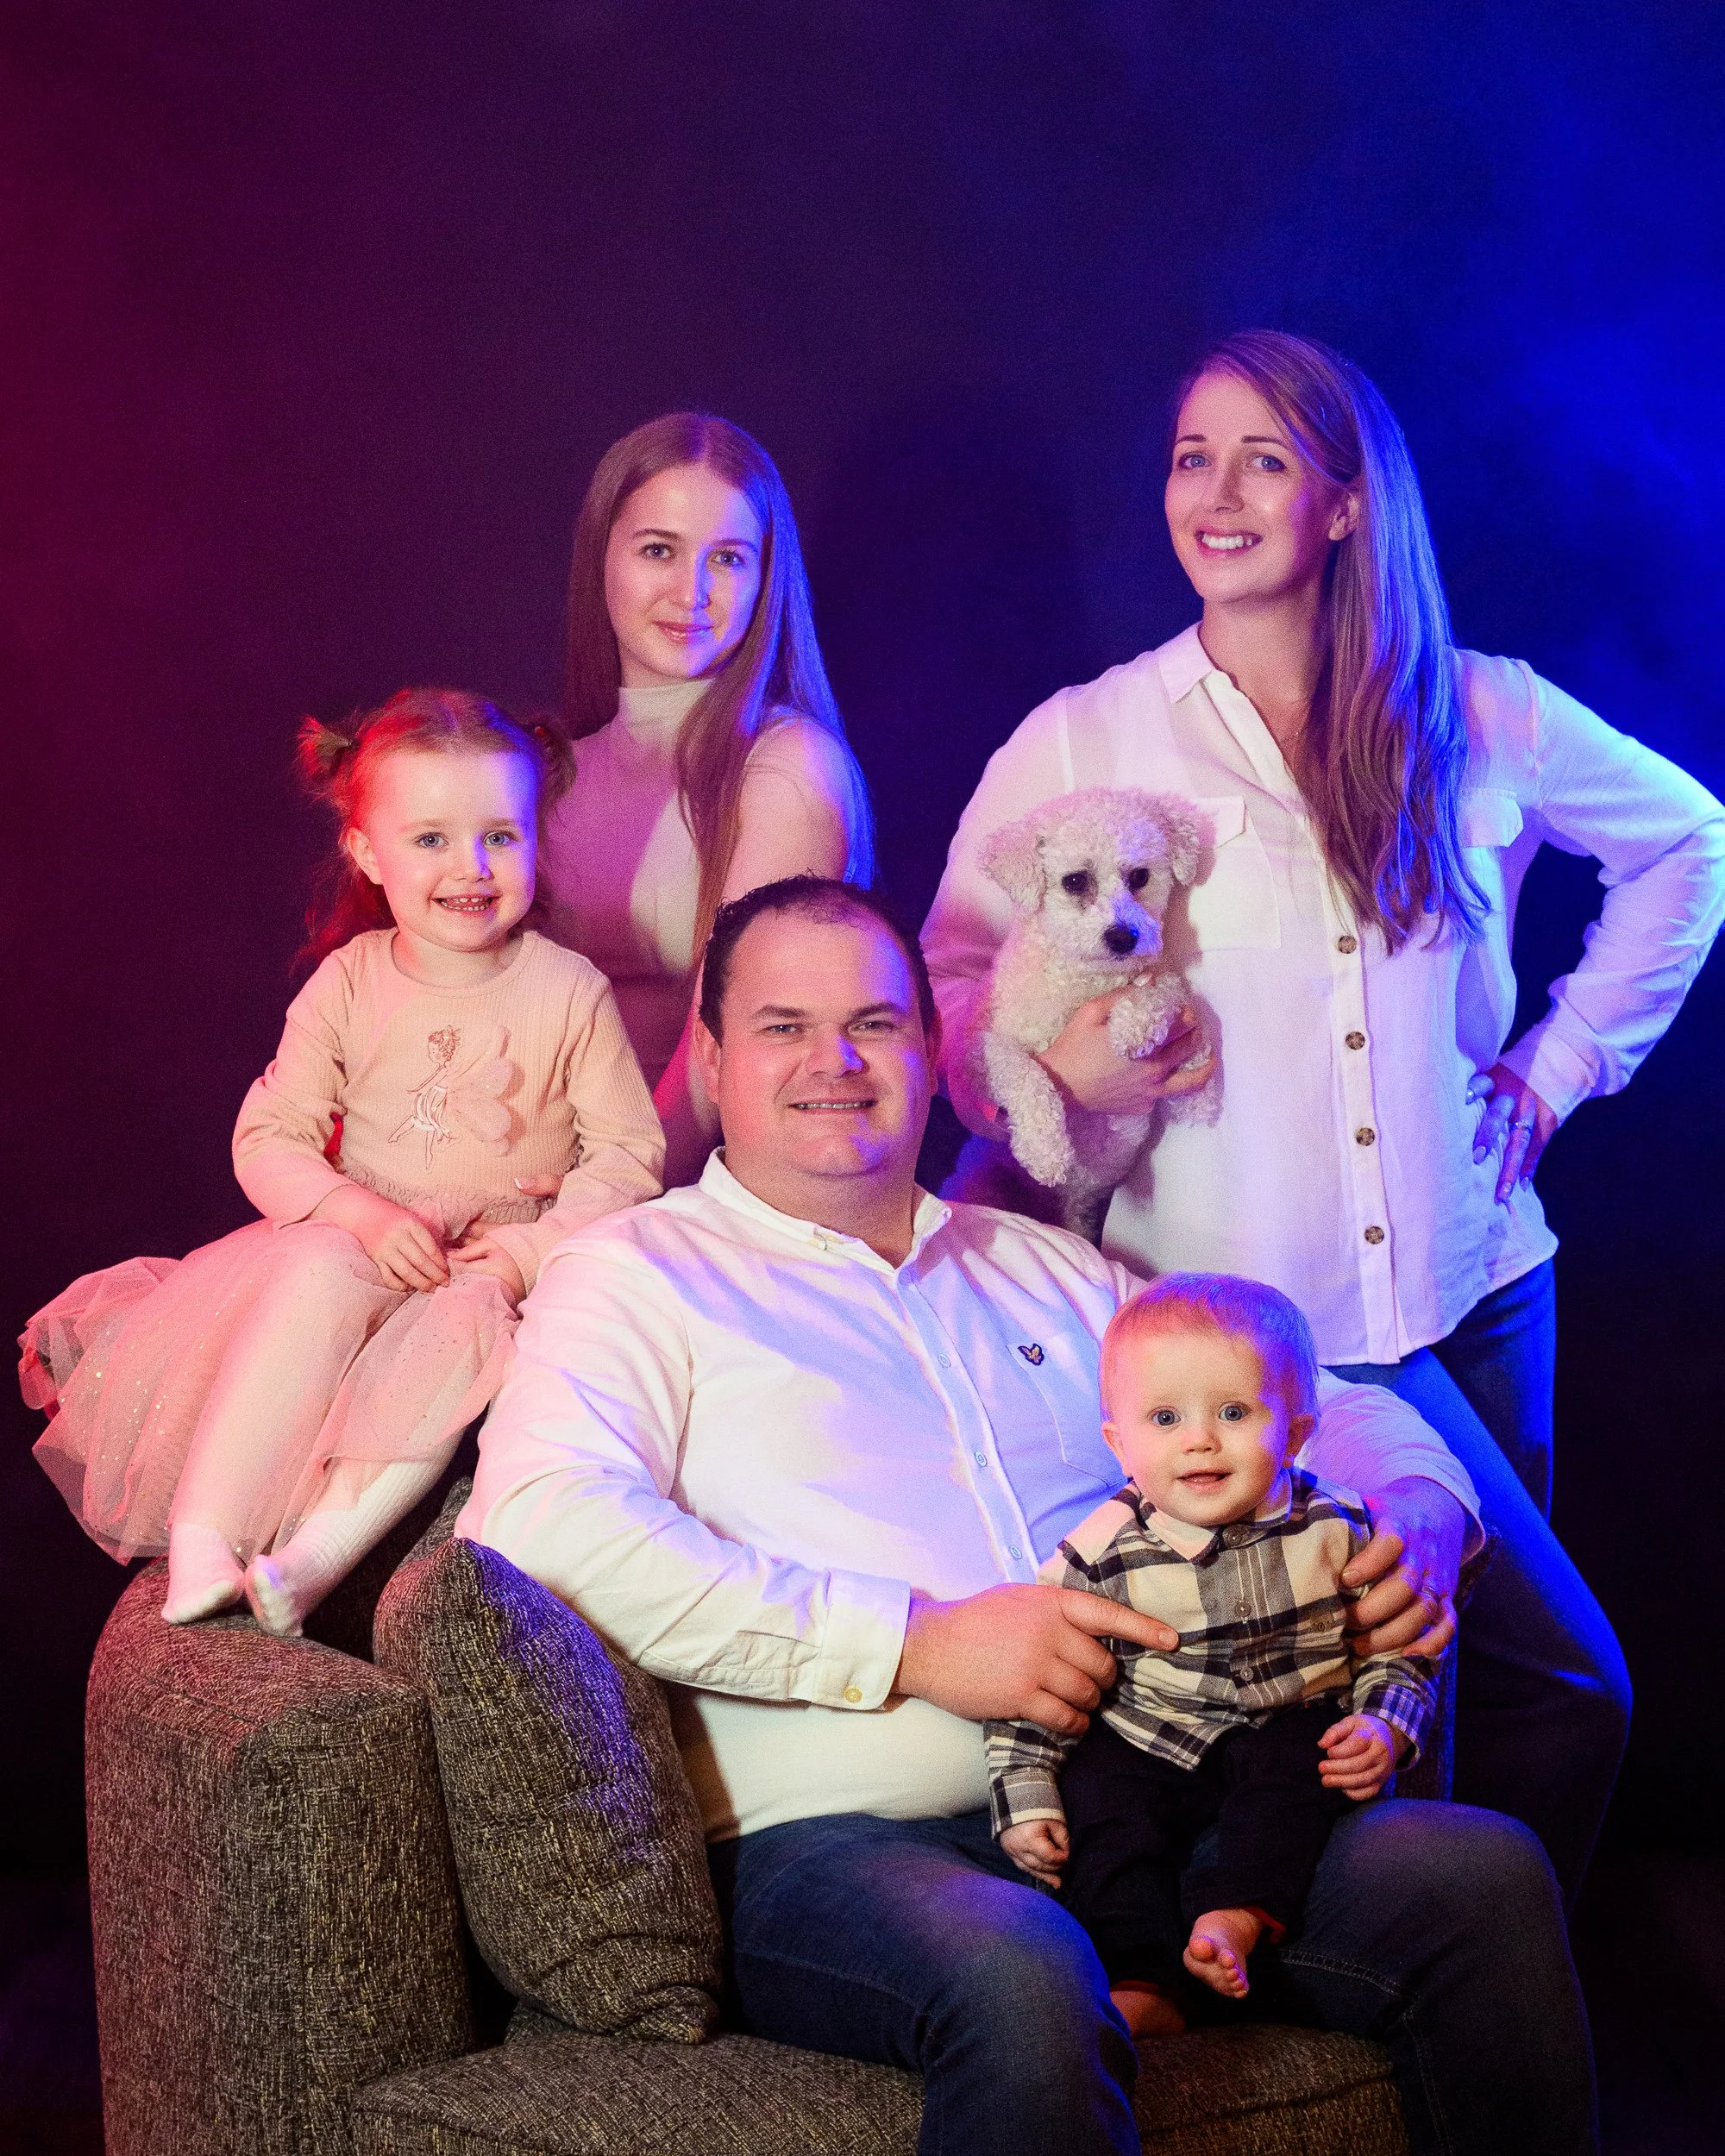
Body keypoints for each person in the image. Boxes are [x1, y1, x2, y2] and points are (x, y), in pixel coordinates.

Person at [460, 875, 1596, 2156]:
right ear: (712, 1062)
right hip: (850, 1847)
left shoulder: (1046, 1267)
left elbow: (1327, 1402)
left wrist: (1424, 1512)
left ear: (932, 1051)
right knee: (1023, 1966)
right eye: (783, 1026)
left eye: (876, 1023)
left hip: (1169, 1799)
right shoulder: (634, 1275)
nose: (835, 1060)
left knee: (1477, 1874)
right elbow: (539, 1523)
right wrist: (916, 1640)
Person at [922, 329, 1725, 1897]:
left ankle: (1459, 2020)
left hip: (1483, 1288)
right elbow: (955, 979)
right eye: (1189, 459)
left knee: (1455, 1700)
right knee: (1535, 1691)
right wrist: (1066, 1083)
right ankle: (1427, 2020)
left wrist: (1557, 1068)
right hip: (1261, 1344)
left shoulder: (1476, 711)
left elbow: (1693, 842)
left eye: (1264, 460)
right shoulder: (1094, 735)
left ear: (1347, 505)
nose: (1215, 495)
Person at [20, 689, 663, 1634]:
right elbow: (268, 1136)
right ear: (366, 852)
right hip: (361, 1237)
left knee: (467, 1333)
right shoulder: (351, 981)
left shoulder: (569, 991)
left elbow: (628, 1154)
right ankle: (208, 1532)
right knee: (312, 1273)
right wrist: (358, 1214)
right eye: (431, 839)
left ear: (535, 837)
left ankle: (316, 1554)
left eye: (500, 836)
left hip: (477, 1265)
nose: (472, 867)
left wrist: (532, 1250)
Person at [988, 1273, 1434, 2037]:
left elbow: (1402, 1646)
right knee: (1105, 1814)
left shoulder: (1341, 1527)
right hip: (1149, 1733)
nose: (1198, 1439)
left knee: (1304, 1777)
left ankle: (1239, 1915)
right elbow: (1036, 1676)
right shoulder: (1097, 1555)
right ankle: (1142, 1979)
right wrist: (1022, 1789)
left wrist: (1385, 1726)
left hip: (1291, 1717)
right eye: (1164, 1418)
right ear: (1118, 1442)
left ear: (1294, 1433)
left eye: (1233, 1412)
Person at [539, 411, 875, 1186]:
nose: (691, 591)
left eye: (727, 558)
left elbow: (724, 1052)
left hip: (674, 1192)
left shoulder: (787, 764)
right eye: (659, 549)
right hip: (523, 1169)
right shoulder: (541, 772)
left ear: (765, 579)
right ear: (602, 560)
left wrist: (603, 1202)